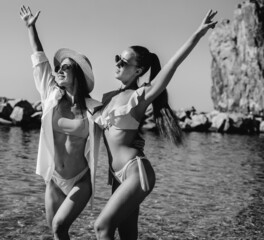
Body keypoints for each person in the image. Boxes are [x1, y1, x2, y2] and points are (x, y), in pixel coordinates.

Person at [93, 10, 218, 240]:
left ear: (138, 70)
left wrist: (197, 34)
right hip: (117, 176)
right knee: (127, 235)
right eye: (116, 59)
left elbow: (172, 65)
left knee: (102, 227)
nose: (118, 64)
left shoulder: (141, 94)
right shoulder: (108, 98)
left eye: (123, 61)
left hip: (135, 171)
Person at [20, 5, 102, 240]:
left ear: (77, 73)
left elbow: (116, 129)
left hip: (81, 179)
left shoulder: (94, 108)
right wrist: (31, 27)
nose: (59, 70)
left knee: (58, 226)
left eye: (66, 67)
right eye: (59, 68)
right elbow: (39, 61)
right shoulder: (50, 95)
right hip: (55, 178)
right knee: (58, 233)